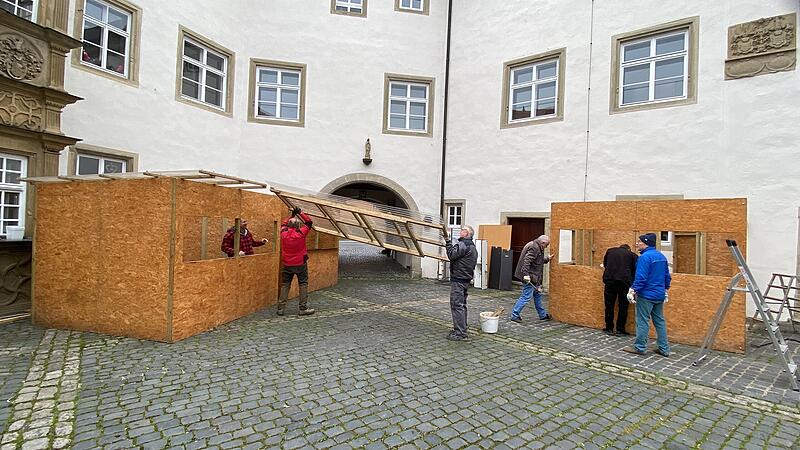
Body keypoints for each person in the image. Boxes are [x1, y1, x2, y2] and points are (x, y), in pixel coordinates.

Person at [623, 233, 671, 357]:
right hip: (659, 294)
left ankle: (640, 347)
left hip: (646, 294)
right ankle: (664, 348)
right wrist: (666, 289)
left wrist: (633, 290)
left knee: (642, 320)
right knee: (659, 321)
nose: (637, 244)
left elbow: (641, 277)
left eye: (639, 242)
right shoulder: (661, 256)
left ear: (646, 243)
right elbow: (667, 276)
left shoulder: (644, 257)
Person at [277, 207, 315, 316]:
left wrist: (292, 215)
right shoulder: (301, 233)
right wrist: (300, 213)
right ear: (298, 225)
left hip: (287, 264)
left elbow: (284, 224)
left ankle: (281, 308)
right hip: (300, 264)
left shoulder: (283, 233)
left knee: (285, 285)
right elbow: (309, 222)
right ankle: (303, 308)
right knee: (303, 284)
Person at [445, 225, 478, 341]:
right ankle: (461, 328)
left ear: (467, 234)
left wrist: (448, 242)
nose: (461, 231)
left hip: (459, 279)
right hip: (465, 279)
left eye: (463, 230)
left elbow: (451, 255)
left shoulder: (463, 244)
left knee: (456, 305)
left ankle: (460, 332)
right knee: (462, 305)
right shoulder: (472, 246)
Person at [510, 235, 553, 322]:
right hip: (530, 277)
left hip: (534, 277)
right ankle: (515, 315)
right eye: (546, 245)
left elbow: (537, 260)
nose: (546, 247)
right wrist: (526, 275)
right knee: (526, 296)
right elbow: (527, 261)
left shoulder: (535, 245)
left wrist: (547, 258)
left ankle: (543, 315)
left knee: (537, 295)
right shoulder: (534, 247)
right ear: (543, 242)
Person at [602, 243, 638, 335]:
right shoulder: (633, 255)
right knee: (623, 306)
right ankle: (620, 330)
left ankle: (609, 328)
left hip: (610, 281)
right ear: (628, 249)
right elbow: (635, 270)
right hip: (624, 283)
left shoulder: (610, 251)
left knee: (609, 305)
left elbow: (605, 264)